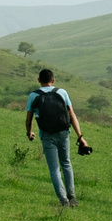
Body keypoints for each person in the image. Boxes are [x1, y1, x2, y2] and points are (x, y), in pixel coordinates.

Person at [23, 67, 91, 208]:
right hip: (63, 133)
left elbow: (28, 119)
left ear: (38, 80)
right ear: (53, 80)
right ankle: (72, 197)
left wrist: (29, 133)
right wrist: (80, 137)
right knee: (66, 164)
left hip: (47, 135)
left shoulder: (33, 96)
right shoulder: (62, 92)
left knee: (54, 169)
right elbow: (72, 116)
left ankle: (63, 200)